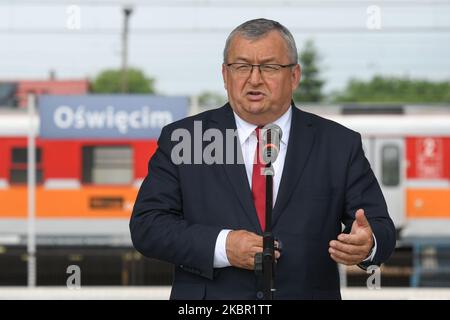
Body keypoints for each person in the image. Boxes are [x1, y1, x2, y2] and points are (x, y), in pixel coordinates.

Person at [130, 18, 396, 299]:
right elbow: (147, 225)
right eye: (242, 66)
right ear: (224, 75)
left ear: (294, 76)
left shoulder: (338, 144)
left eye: (269, 67)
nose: (254, 79)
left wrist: (368, 245)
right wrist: (223, 246)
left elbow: (379, 226)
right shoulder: (184, 139)